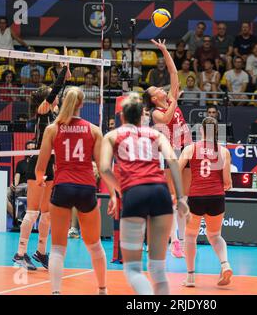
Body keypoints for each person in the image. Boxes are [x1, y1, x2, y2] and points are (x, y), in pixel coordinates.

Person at [99, 93, 190, 295]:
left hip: (134, 192)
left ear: (122, 116)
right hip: (160, 191)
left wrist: (121, 190)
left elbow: (104, 168)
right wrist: (182, 198)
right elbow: (173, 161)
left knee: (132, 269)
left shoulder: (112, 136)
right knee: (158, 268)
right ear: (143, 116)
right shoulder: (157, 135)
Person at [35, 86, 109, 295]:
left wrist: (41, 180)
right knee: (94, 246)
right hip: (86, 188)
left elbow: (40, 168)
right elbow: (102, 168)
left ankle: (56, 292)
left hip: (62, 187)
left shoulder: (52, 128)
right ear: (82, 104)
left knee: (58, 248)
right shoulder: (94, 130)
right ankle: (102, 290)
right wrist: (113, 193)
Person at [12, 48, 71, 271]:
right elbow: (55, 91)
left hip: (51, 164)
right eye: (50, 96)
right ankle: (19, 254)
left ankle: (40, 252)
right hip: (37, 164)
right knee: (33, 212)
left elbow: (60, 91)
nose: (54, 98)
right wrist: (63, 68)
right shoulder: (42, 110)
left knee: (47, 214)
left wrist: (65, 76)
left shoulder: (55, 114)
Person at [144, 39, 192, 259]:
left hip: (187, 150)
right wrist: (174, 100)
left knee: (184, 199)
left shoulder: (171, 96)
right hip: (171, 155)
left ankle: (181, 239)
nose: (163, 89)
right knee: (173, 199)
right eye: (158, 90)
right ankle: (174, 241)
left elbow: (174, 74)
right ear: (155, 98)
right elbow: (167, 117)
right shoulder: (155, 113)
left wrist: (165, 50)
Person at [179, 117, 233, 287]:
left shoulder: (190, 149)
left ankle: (190, 277)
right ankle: (225, 264)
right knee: (215, 235)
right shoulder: (223, 151)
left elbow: (175, 170)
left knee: (190, 236)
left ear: (201, 130)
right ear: (216, 131)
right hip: (216, 197)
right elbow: (227, 182)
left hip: (196, 196)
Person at [7, 140, 35, 219]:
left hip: (33, 188)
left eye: (33, 150)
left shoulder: (39, 163)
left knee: (28, 186)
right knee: (2, 194)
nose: (31, 152)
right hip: (20, 187)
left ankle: (28, 218)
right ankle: (17, 218)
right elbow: (17, 177)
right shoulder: (21, 163)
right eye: (28, 150)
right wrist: (14, 184)